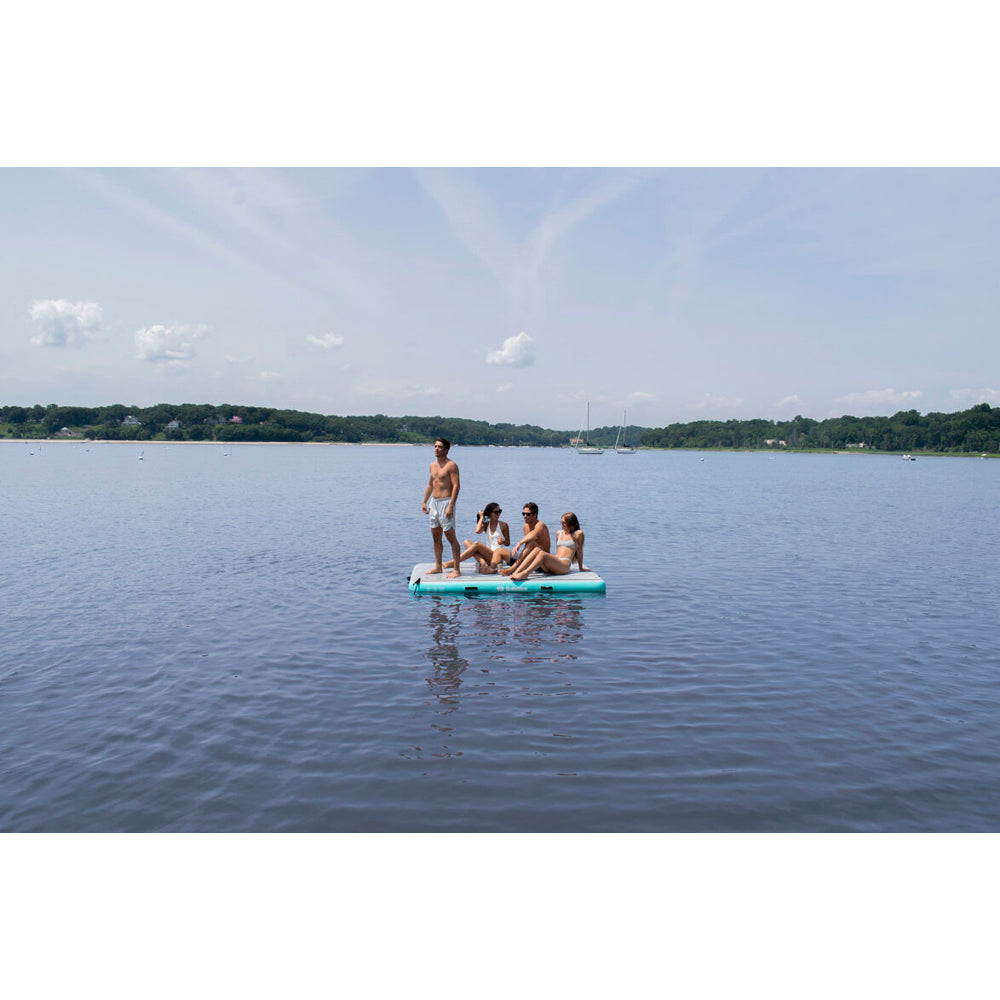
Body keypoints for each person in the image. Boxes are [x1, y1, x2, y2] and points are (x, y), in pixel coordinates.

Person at [421, 437, 462, 578]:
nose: (436, 449)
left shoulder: (451, 465)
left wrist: (451, 506)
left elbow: (456, 486)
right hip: (434, 502)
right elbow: (430, 484)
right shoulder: (432, 465)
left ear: (446, 450)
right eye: (435, 446)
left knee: (450, 536)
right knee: (435, 536)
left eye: (439, 447)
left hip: (446, 502)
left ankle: (457, 569)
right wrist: (424, 501)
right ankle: (438, 566)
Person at [511, 512, 586, 581]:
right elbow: (558, 551)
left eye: (564, 523)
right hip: (554, 564)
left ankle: (525, 574)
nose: (562, 524)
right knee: (537, 549)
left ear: (571, 523)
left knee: (542, 554)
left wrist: (581, 568)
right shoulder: (559, 533)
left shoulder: (578, 534)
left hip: (564, 566)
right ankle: (516, 572)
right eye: (561, 522)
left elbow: (579, 551)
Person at [443, 502, 511, 574]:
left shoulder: (503, 525)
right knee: (466, 542)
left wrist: (503, 541)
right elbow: (477, 531)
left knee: (477, 544)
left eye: (500, 511)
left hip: (496, 557)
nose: (498, 514)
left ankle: (454, 562)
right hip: (486, 555)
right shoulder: (486, 524)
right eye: (496, 512)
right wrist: (482, 517)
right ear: (490, 513)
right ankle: (482, 561)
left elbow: (508, 543)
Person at [498, 501, 551, 577]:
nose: (525, 516)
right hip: (530, 560)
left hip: (542, 563)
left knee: (531, 542)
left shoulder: (540, 525)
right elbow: (527, 547)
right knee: (499, 551)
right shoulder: (525, 526)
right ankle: (493, 569)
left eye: (528, 514)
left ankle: (513, 569)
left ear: (535, 515)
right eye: (523, 514)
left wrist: (519, 543)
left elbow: (533, 535)